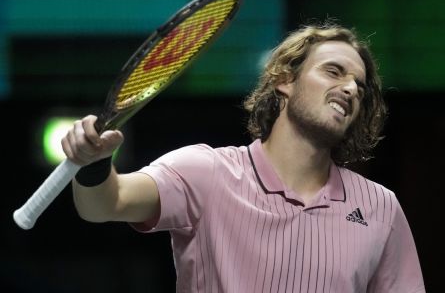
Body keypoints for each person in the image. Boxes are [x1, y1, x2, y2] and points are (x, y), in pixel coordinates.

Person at [63, 22, 425, 293]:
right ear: (285, 80)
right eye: (333, 71)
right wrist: (93, 163)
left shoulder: (380, 208)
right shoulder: (206, 173)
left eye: (358, 87)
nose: (349, 88)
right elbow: (105, 203)